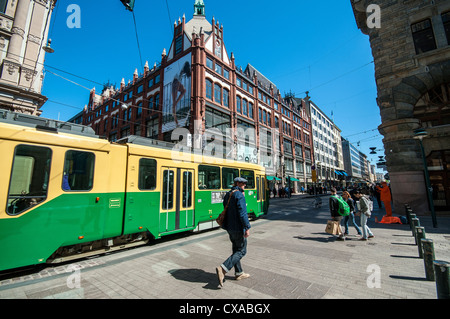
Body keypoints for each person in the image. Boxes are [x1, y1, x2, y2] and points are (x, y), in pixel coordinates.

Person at [216, 177, 251, 287]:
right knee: (242, 251)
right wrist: (247, 227)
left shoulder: (228, 194)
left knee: (236, 249)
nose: (245, 186)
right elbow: (242, 213)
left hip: (229, 227)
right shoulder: (239, 195)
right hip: (238, 228)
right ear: (239, 183)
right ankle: (223, 268)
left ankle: (239, 273)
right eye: (244, 184)